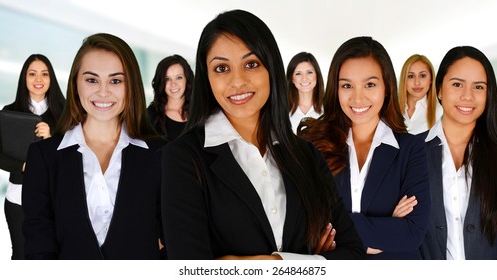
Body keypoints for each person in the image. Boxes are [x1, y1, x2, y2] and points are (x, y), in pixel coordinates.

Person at [160, 9, 365, 260]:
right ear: (207, 78)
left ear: (272, 69)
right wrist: (312, 261)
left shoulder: (306, 155)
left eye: (251, 64)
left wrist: (274, 262)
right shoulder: (183, 158)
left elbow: (354, 255)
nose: (237, 81)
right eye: (222, 68)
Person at [22, 33, 166, 259]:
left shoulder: (162, 155)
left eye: (116, 81)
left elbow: (175, 241)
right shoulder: (43, 157)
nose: (103, 91)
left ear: (131, 87)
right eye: (91, 80)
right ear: (75, 84)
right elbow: (38, 244)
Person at [298, 36, 431, 259]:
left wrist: (341, 236)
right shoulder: (312, 143)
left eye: (370, 84)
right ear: (335, 88)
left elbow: (411, 233)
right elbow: (305, 224)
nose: (358, 97)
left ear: (387, 87)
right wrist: (386, 229)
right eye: (347, 85)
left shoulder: (412, 149)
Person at [420, 46, 497, 260]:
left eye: (479, 87)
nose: (468, 96)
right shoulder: (412, 152)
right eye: (457, 84)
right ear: (439, 90)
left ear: (489, 93)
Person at [0, 54, 65, 260]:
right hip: (18, 198)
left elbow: (72, 157)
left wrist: (50, 137)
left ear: (51, 79)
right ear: (24, 78)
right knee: (22, 255)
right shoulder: (9, 112)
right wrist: (24, 166)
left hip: (54, 197)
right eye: (32, 74)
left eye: (44, 74)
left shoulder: (65, 113)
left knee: (53, 255)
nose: (38, 80)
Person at [146, 54, 194, 141]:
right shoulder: (149, 117)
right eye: (167, 79)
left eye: (179, 77)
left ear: (187, 79)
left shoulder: (200, 113)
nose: (173, 84)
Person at [398, 54, 443, 134]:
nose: (417, 82)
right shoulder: (391, 110)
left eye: (422, 76)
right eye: (411, 76)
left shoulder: (440, 112)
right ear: (404, 80)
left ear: (431, 79)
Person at [286, 52, 325, 133]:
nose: (304, 79)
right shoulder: (282, 111)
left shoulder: (329, 109)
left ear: (317, 75)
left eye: (309, 72)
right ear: (292, 79)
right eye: (298, 74)